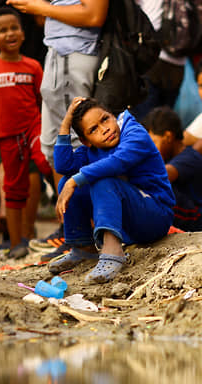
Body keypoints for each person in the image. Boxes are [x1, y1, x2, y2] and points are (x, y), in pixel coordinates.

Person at [48, 98, 175, 283]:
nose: (104, 129)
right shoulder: (92, 150)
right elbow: (63, 165)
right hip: (129, 226)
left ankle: (112, 251)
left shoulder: (133, 132)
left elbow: (118, 162)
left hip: (155, 216)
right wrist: (66, 123)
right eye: (93, 130)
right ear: (86, 141)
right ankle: (83, 248)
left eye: (105, 119)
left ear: (113, 116)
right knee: (67, 183)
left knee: (102, 180)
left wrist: (76, 180)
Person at [0, 7, 53, 259]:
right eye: (3, 30)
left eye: (14, 28)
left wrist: (47, 129)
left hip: (33, 127)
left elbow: (44, 101)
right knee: (14, 187)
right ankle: (17, 242)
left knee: (46, 161)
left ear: (23, 33)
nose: (10, 33)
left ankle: (71, 216)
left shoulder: (33, 66)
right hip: (6, 135)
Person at [6, 0, 108, 165]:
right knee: (56, 149)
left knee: (73, 146)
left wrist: (41, 7)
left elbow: (94, 15)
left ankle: (81, 191)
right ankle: (65, 191)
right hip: (60, 53)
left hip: (72, 52)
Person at [144, 106, 202, 232]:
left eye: (153, 142)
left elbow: (164, 174)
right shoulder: (168, 157)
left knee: (157, 185)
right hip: (190, 213)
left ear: (168, 136)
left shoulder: (189, 157)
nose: (151, 149)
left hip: (201, 218)